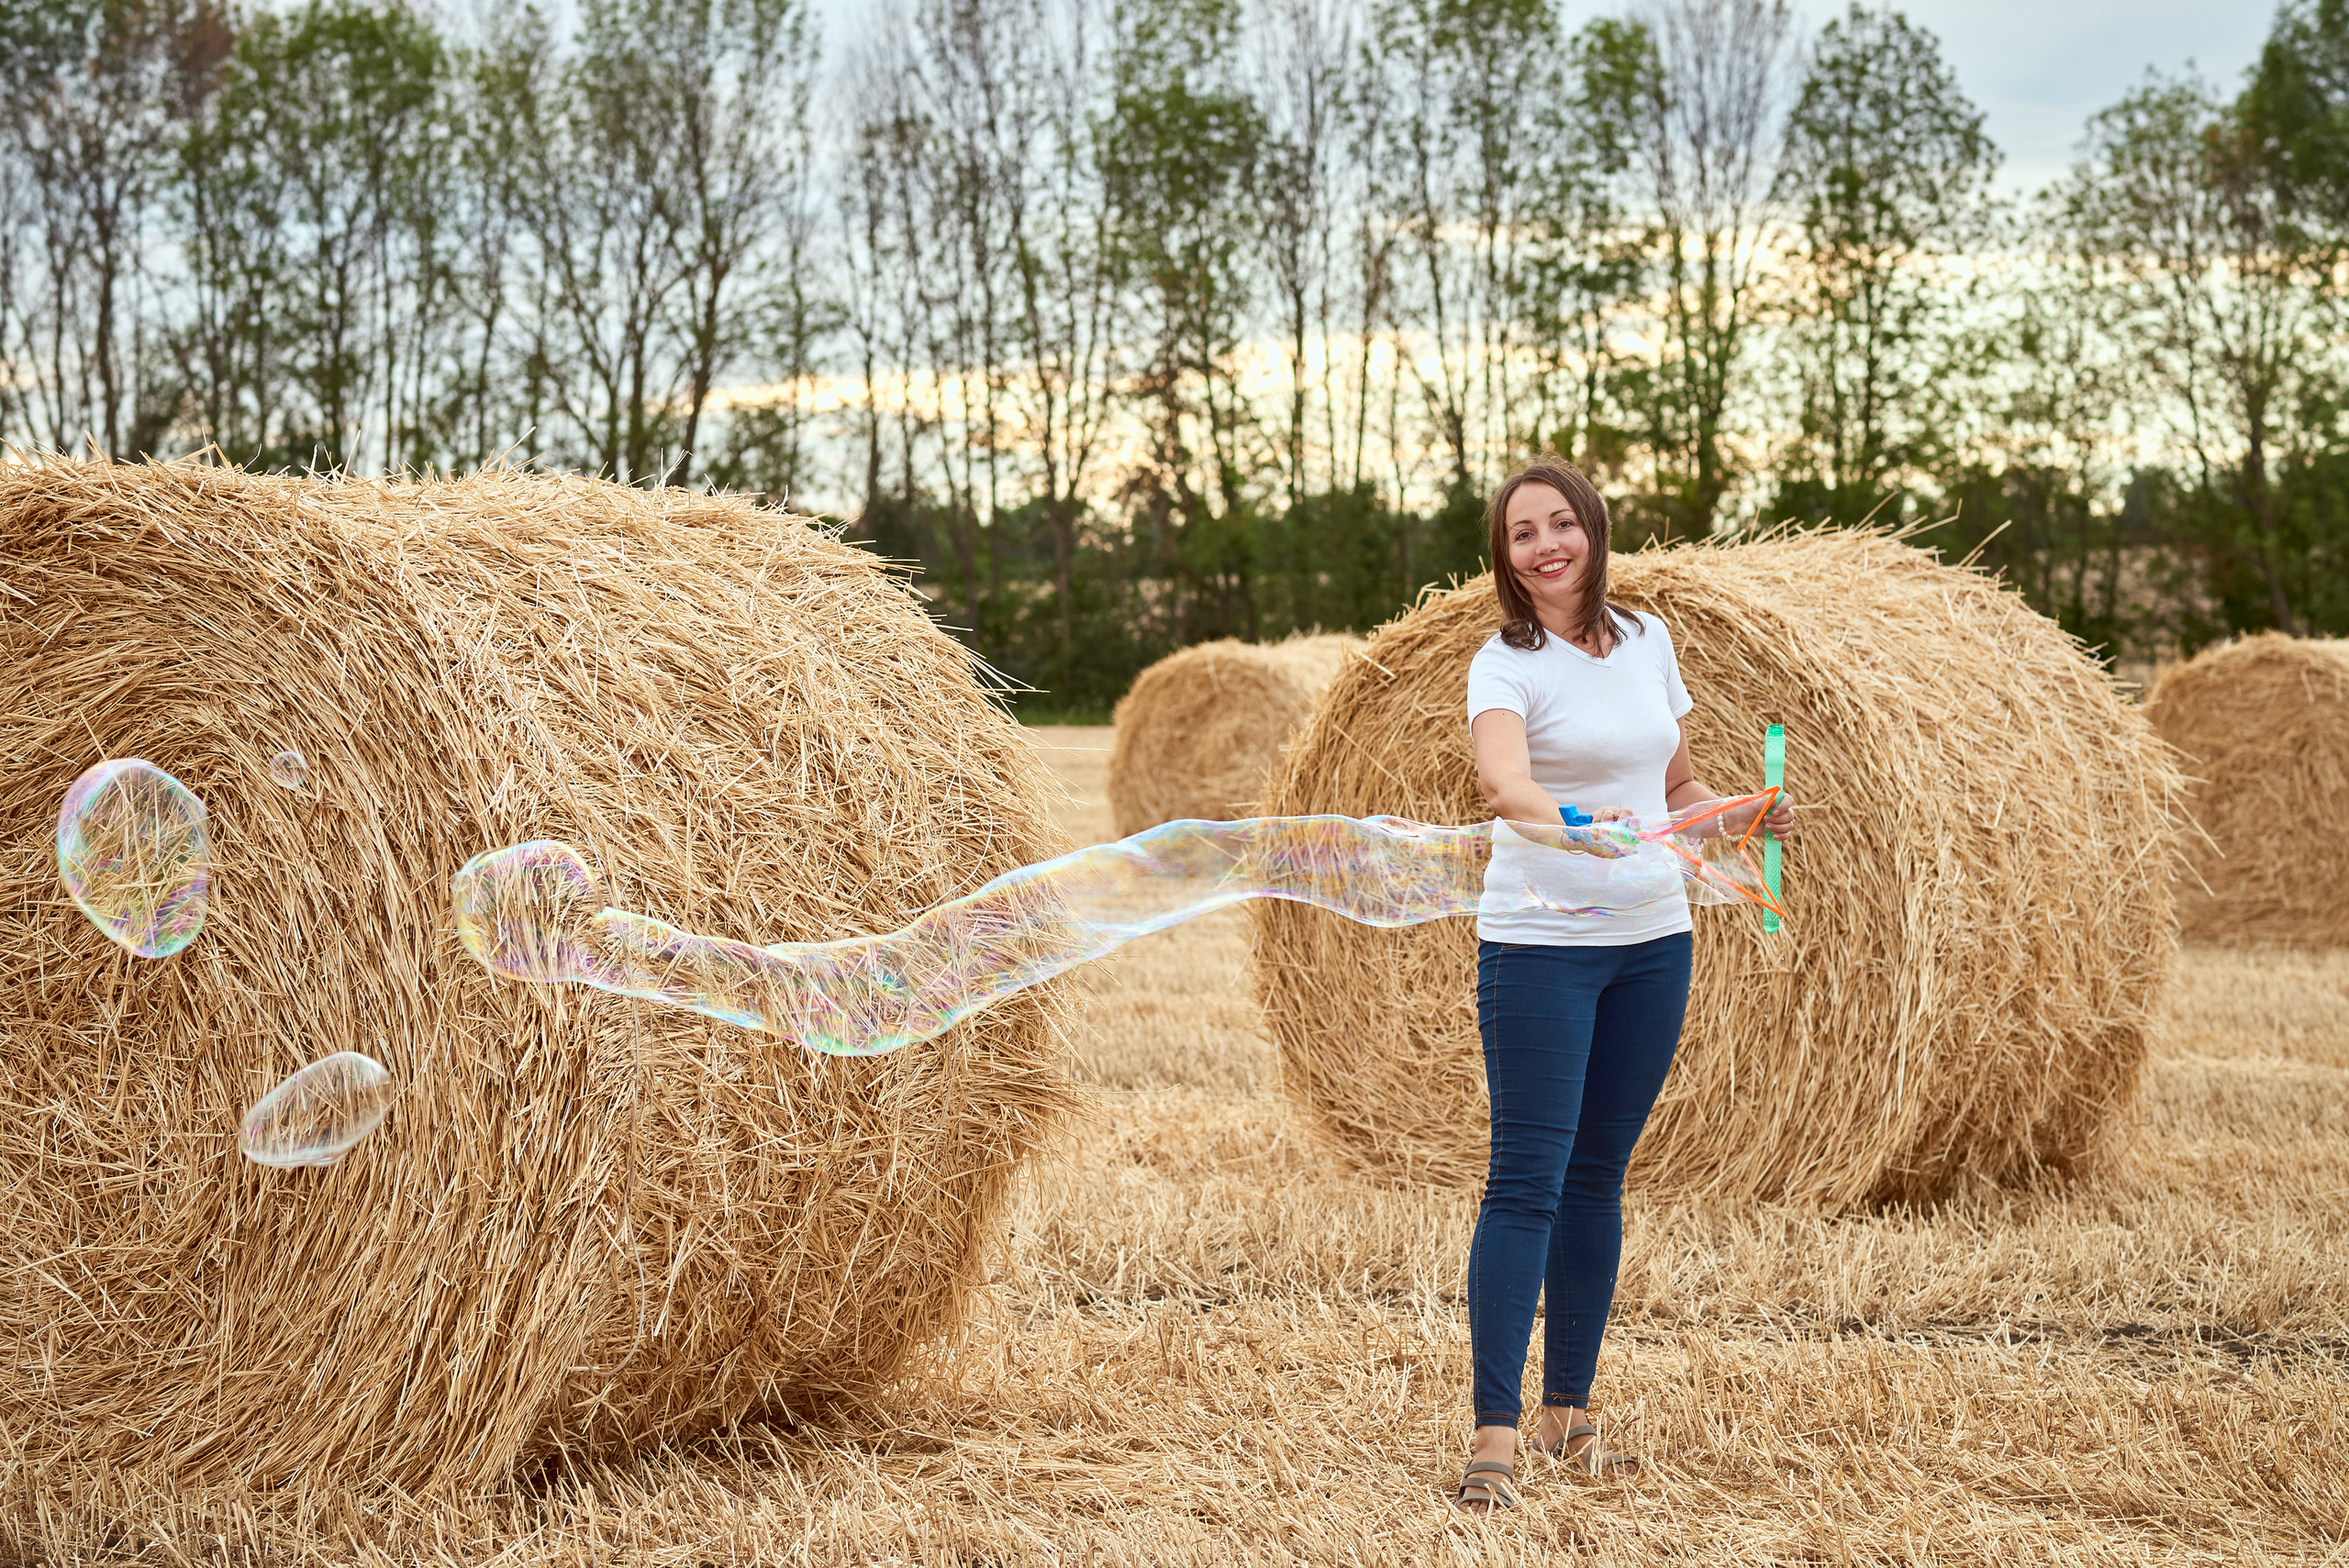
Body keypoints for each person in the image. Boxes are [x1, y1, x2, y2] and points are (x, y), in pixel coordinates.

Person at [1449, 460, 1793, 1516]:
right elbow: (1504, 780)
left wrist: (1745, 812)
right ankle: (1493, 1433)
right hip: (1540, 941)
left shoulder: (1647, 640)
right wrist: (1563, 826)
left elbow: (1673, 786)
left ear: (1593, 530)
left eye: (1561, 523)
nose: (1545, 544)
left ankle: (1570, 1411)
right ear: (1504, 556)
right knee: (1527, 1181)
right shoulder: (1504, 662)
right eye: (1522, 533)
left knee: (1598, 1176)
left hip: (1654, 938)